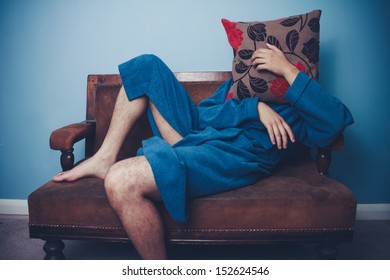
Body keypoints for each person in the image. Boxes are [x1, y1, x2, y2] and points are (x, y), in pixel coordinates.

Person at [52, 43, 353, 259]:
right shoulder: (243, 89)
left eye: (275, 69)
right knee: (146, 65)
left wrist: (287, 70)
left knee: (121, 179)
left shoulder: (301, 106)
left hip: (234, 153)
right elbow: (206, 114)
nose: (268, 74)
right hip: (196, 133)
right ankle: (104, 156)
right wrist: (254, 107)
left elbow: (334, 122)